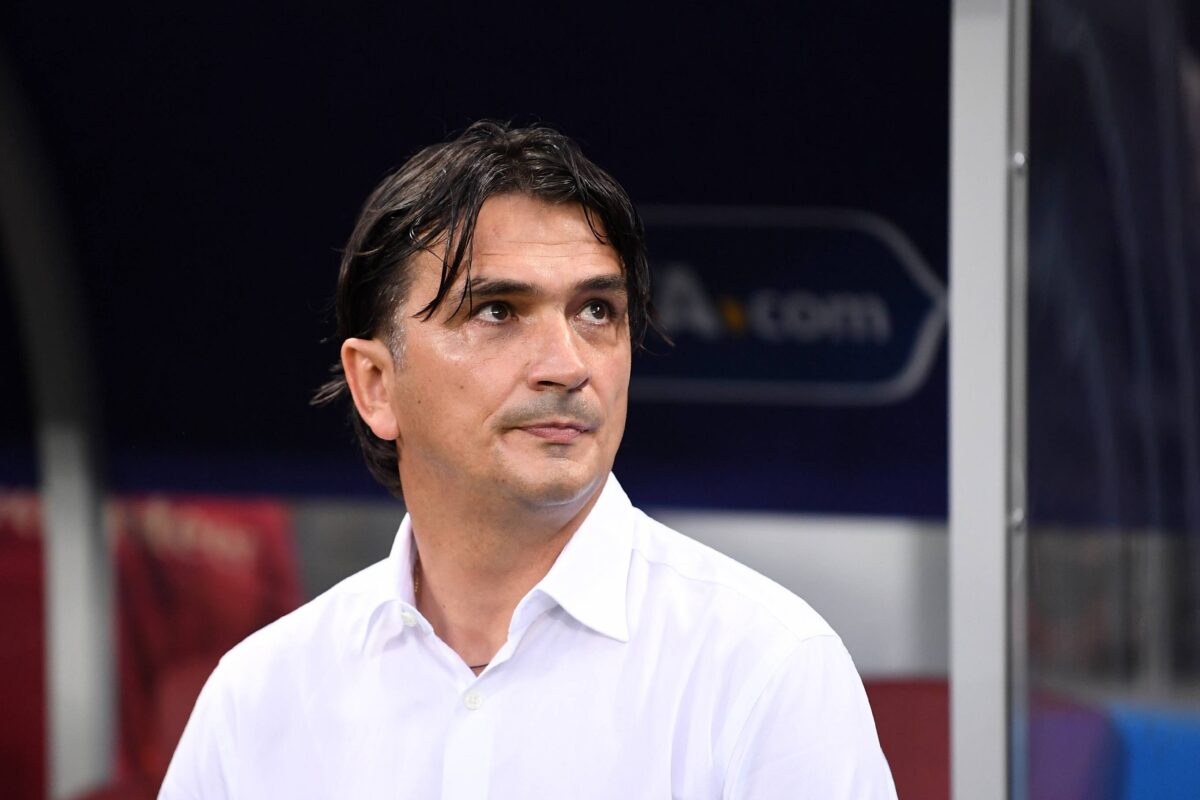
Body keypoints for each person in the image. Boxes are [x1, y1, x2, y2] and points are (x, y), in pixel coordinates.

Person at [160, 120, 897, 799]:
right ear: (377, 385)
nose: (567, 365)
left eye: (596, 311)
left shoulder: (765, 668)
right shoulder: (259, 700)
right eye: (498, 311)